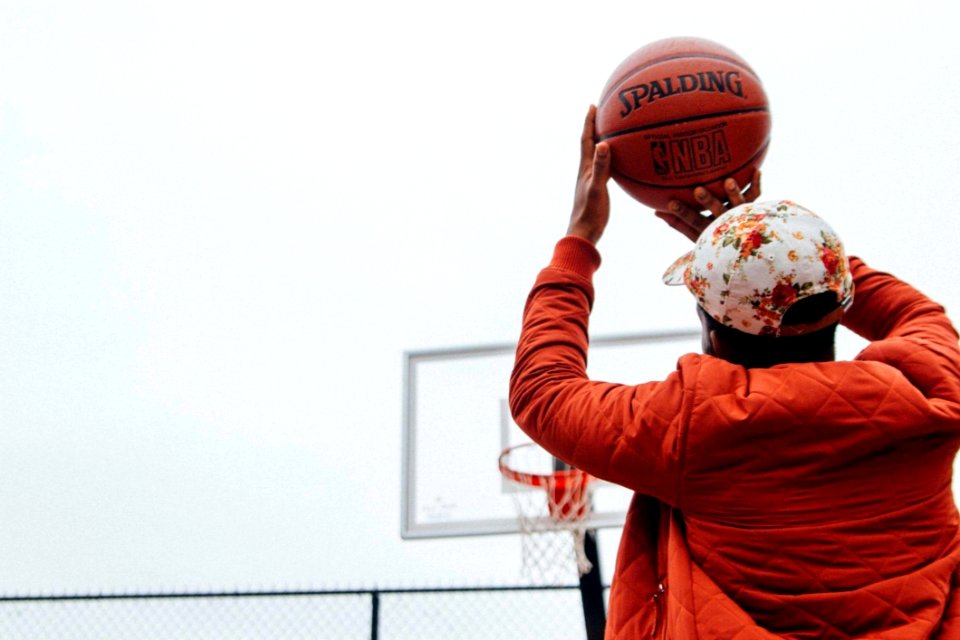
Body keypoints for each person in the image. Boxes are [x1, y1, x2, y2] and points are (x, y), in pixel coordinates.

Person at [509, 105, 960, 638]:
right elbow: (914, 314)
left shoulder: (692, 427)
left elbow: (543, 390)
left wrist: (579, 240)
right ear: (839, 303)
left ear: (712, 329)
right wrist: (775, 244)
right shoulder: (933, 388)